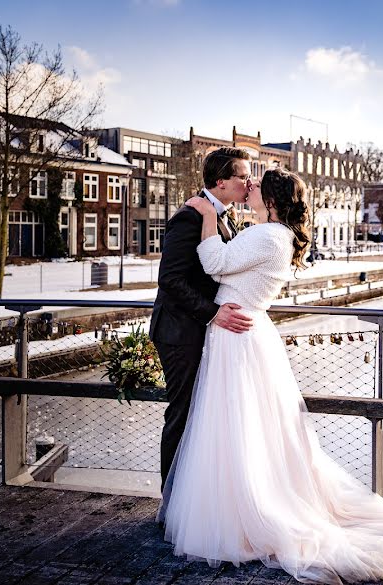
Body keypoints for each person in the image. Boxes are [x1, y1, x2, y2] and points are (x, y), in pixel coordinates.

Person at [157, 168, 383, 584]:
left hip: (235, 337)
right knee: (243, 427)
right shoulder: (273, 234)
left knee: (233, 426)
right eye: (246, 180)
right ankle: (237, 506)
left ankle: (241, 514)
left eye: (257, 185)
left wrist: (205, 214)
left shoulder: (267, 235)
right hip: (244, 332)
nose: (250, 186)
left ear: (272, 200)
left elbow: (216, 264)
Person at [149, 147, 255, 490]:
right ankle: (171, 499)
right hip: (180, 331)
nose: (249, 181)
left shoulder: (225, 214)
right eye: (242, 175)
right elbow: (171, 279)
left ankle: (194, 499)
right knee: (182, 414)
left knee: (203, 416)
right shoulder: (190, 216)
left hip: (202, 328)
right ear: (221, 181)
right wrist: (213, 314)